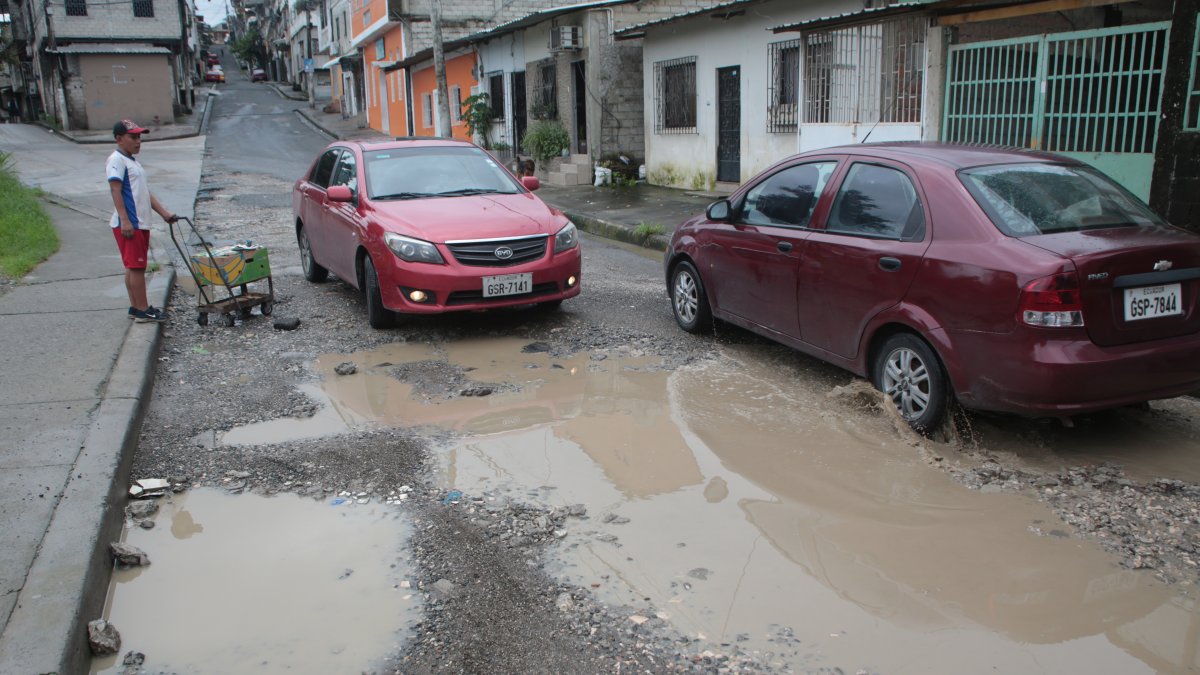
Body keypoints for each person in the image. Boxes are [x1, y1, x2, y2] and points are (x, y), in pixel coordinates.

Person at [107, 119, 177, 322]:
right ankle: (144, 309)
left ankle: (136, 307)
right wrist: (125, 220)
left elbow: (144, 193)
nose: (138, 141)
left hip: (138, 222)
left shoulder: (132, 162)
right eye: (133, 137)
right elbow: (115, 189)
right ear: (119, 139)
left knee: (132, 267)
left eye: (139, 137)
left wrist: (164, 213)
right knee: (137, 267)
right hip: (132, 223)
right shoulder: (117, 160)